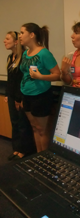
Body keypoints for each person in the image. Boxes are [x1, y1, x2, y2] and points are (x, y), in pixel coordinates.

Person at [19, 23, 60, 153]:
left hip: (40, 96)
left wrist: (40, 76)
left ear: (32, 35)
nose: (19, 36)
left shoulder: (44, 53)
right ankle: (38, 156)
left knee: (42, 130)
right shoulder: (25, 53)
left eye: (22, 33)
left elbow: (57, 75)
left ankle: (45, 159)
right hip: (27, 95)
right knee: (34, 127)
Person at [4, 31, 36, 160]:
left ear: (16, 42)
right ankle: (16, 148)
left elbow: (23, 79)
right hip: (12, 96)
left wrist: (19, 98)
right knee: (15, 123)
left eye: (7, 39)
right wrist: (8, 94)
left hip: (22, 96)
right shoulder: (10, 57)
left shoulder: (24, 57)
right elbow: (10, 79)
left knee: (23, 124)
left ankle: (25, 150)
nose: (4, 41)